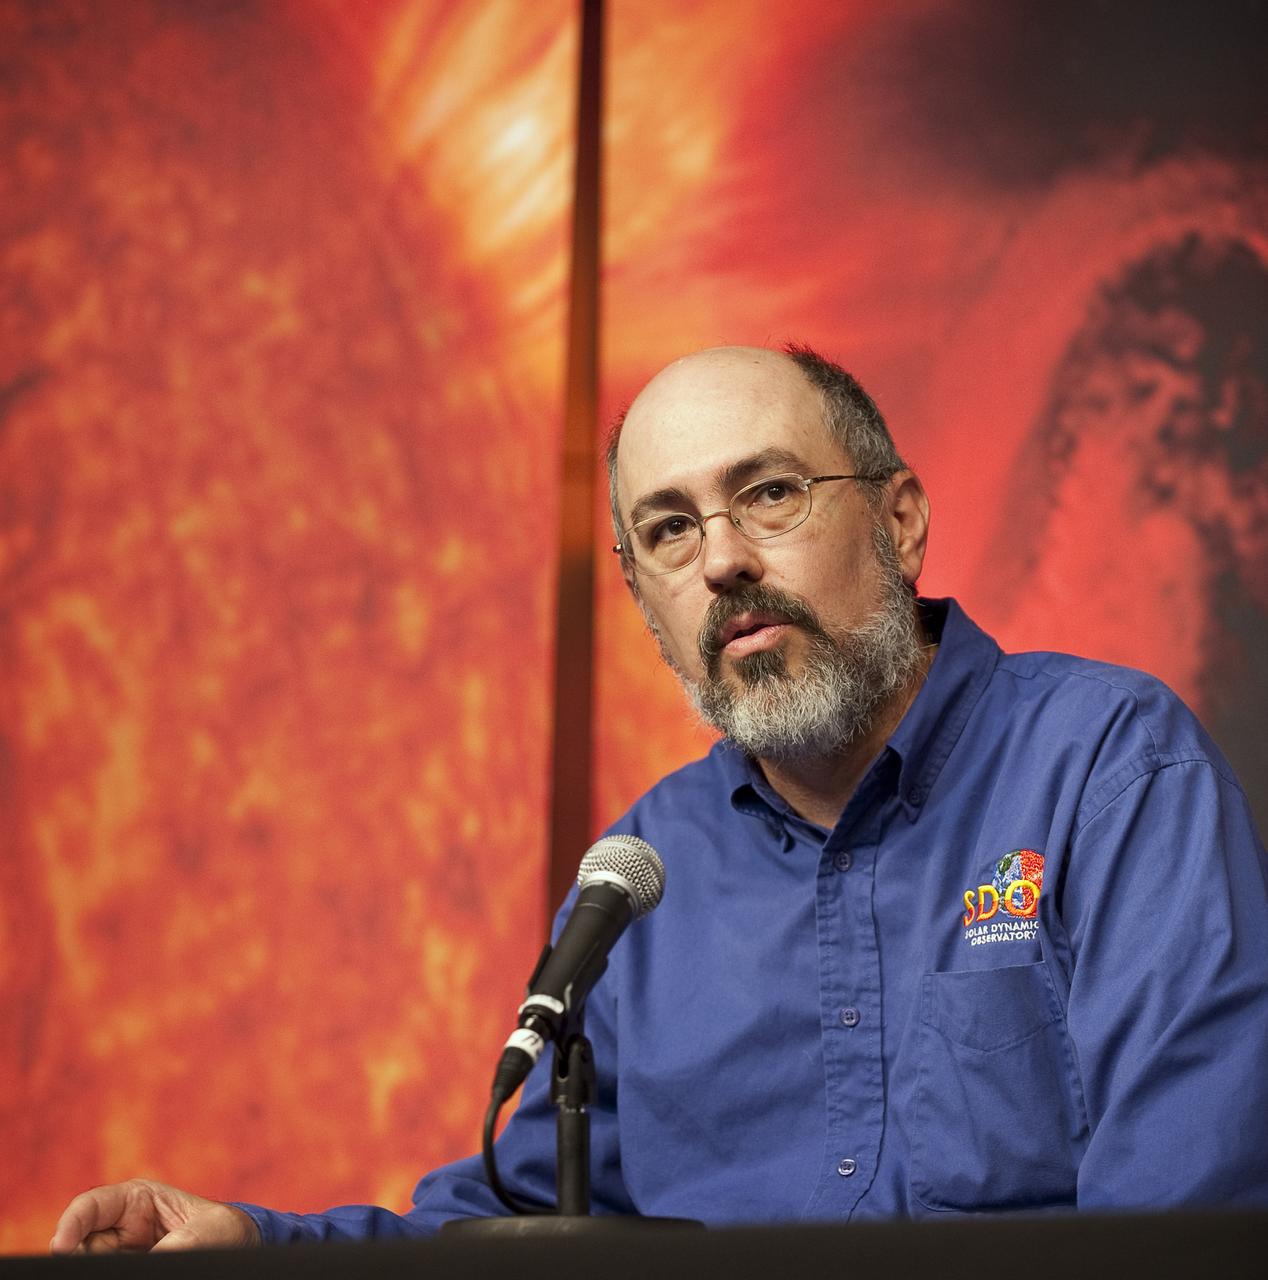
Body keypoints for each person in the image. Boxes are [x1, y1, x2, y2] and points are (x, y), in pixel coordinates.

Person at [51, 344, 1268, 1251]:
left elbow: (1180, 1222)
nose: (724, 559)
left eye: (771, 494)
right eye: (668, 531)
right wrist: (257, 1244)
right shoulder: (643, 869)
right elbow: (524, 1222)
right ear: (646, 606)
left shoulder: (1109, 768)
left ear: (898, 520)